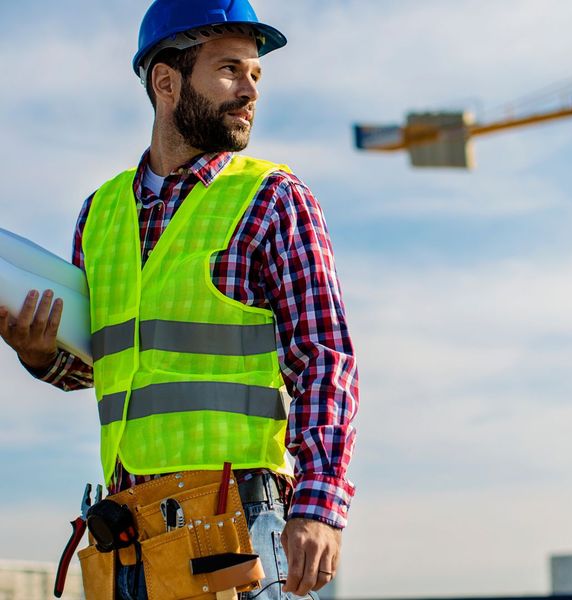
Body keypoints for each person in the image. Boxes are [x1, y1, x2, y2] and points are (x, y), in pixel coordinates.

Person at [0, 1, 358, 598]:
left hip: (235, 519)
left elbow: (324, 358)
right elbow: (100, 365)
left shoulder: (273, 200)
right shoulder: (101, 213)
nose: (250, 90)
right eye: (229, 70)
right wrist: (39, 354)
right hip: (125, 529)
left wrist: (320, 504)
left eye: (255, 74)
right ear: (166, 82)